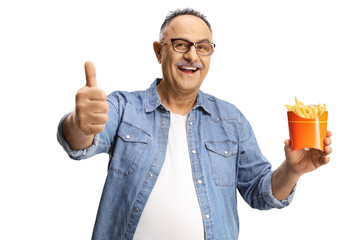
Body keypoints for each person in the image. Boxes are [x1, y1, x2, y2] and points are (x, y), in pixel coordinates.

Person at [57, 8, 333, 240]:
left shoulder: (231, 121)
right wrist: (80, 123)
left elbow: (260, 193)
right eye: (180, 44)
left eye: (203, 47)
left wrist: (293, 170)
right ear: (158, 51)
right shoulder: (124, 107)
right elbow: (80, 143)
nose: (192, 56)